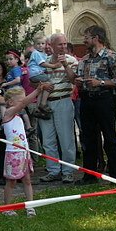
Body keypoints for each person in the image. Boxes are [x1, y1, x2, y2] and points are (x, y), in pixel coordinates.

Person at [76, 25, 116, 184]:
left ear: (96, 38)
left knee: (109, 138)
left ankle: (114, 174)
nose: (84, 40)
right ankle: (90, 175)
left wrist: (101, 82)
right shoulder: (85, 59)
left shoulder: (111, 56)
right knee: (88, 138)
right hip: (87, 100)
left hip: (105, 100)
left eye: (87, 37)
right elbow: (77, 77)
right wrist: (78, 81)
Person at [37, 33, 78, 184]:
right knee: (48, 140)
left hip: (63, 101)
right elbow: (35, 80)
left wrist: (65, 65)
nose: (63, 47)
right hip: (46, 103)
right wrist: (41, 86)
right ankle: (53, 170)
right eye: (60, 44)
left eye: (65, 44)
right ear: (51, 46)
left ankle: (67, 171)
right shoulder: (44, 61)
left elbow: (73, 79)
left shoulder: (72, 60)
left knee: (66, 139)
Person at [0, 86, 45, 217]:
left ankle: (30, 206)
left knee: (27, 180)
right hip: (13, 153)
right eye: (20, 100)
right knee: (11, 181)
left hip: (24, 152)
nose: (23, 102)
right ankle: (7, 208)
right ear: (10, 102)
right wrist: (37, 91)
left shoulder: (19, 117)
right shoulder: (8, 114)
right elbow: (25, 103)